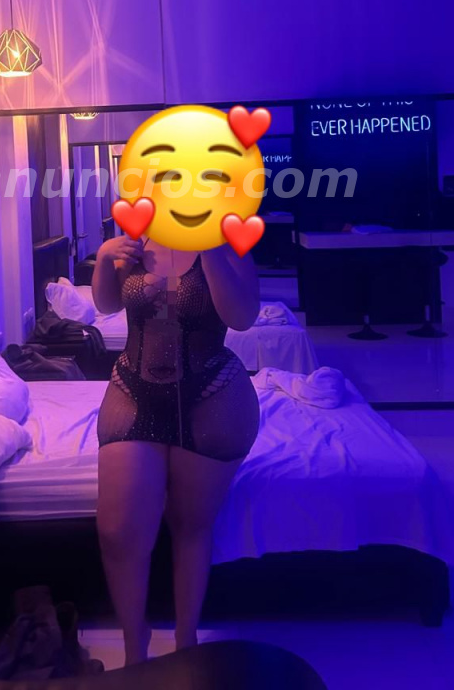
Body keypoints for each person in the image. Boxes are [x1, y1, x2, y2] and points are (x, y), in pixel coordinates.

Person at [93, 234, 260, 665]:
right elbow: (106, 305)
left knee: (191, 525)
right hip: (134, 391)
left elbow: (242, 317)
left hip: (211, 395)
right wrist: (106, 259)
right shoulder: (136, 238)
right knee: (117, 531)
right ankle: (135, 645)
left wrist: (211, 249)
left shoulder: (230, 243)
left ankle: (187, 640)